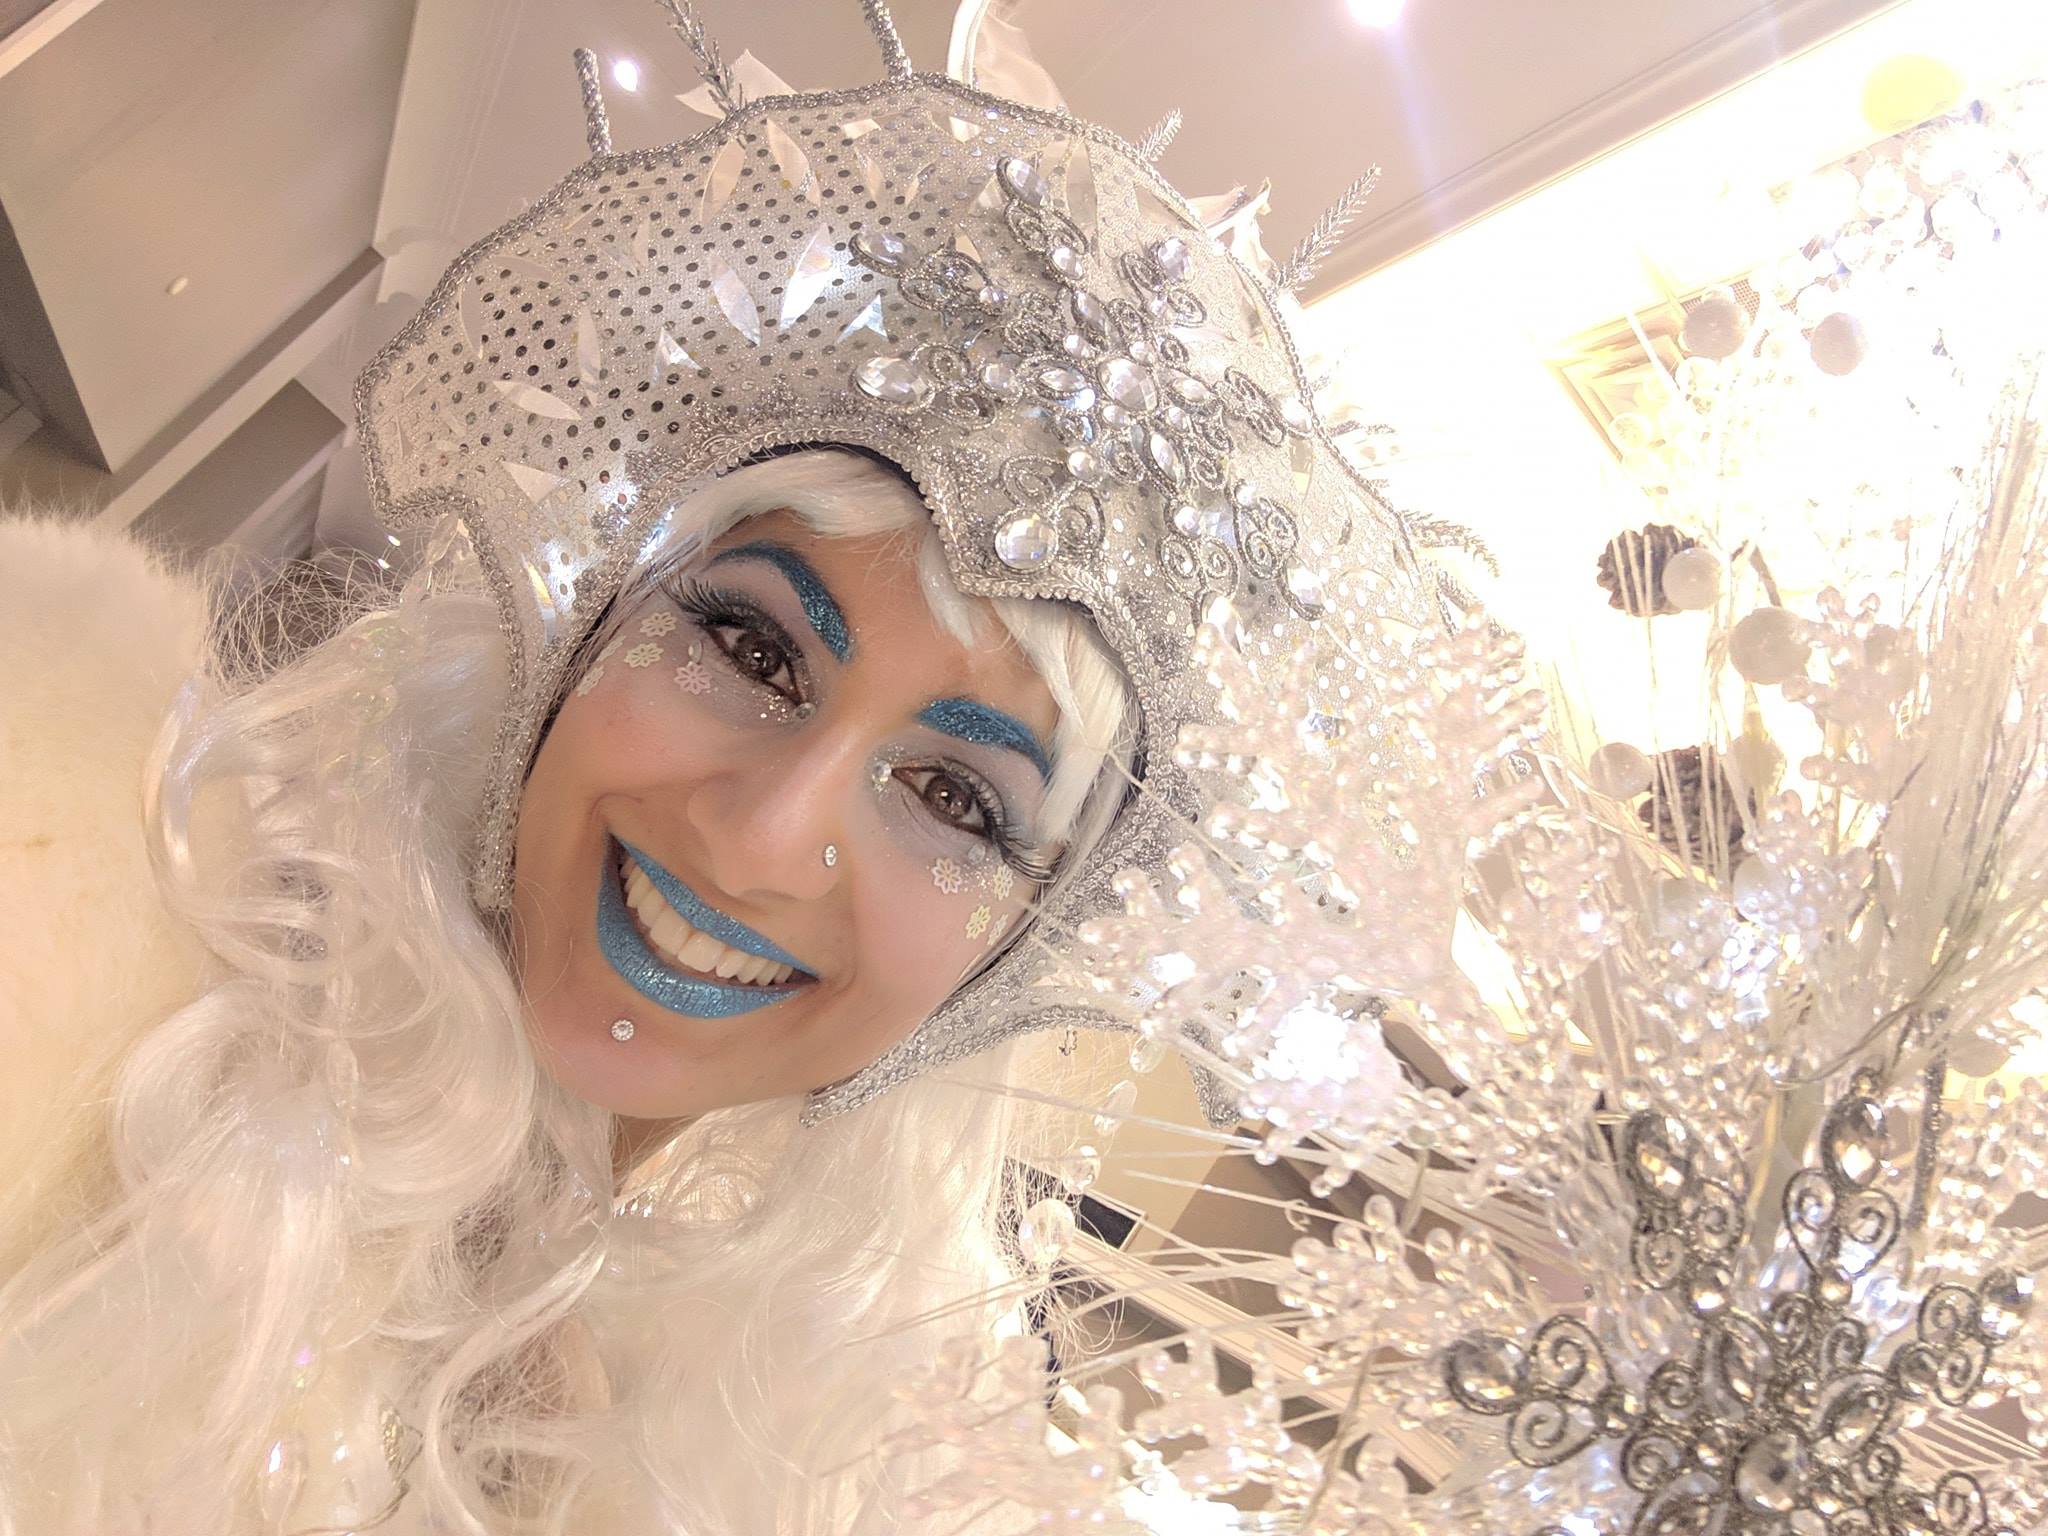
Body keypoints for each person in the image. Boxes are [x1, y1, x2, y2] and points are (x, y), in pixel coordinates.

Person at [0, 5, 1444, 1531]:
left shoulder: (821, 1458)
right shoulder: (63, 861)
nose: (763, 836)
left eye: (955, 800)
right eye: (752, 649)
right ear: (583, 631)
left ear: (1015, 956)